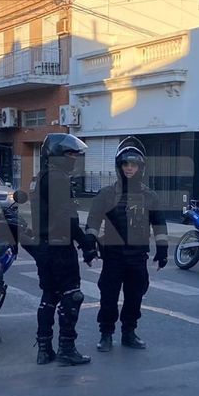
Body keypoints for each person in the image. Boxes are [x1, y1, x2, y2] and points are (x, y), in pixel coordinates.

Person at [86, 137, 168, 352]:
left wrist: (162, 250)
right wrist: (89, 245)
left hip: (138, 257)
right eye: (125, 164)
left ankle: (129, 332)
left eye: (133, 164)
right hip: (113, 257)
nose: (129, 168)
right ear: (119, 166)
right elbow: (93, 222)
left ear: (140, 167)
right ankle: (106, 334)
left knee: (134, 297)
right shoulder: (106, 194)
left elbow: (159, 224)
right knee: (109, 297)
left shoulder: (150, 196)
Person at [25, 133, 96, 366]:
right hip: (59, 248)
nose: (74, 158)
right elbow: (65, 217)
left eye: (75, 154)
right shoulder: (57, 178)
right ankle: (67, 348)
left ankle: (44, 349)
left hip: (44, 247)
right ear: (57, 154)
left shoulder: (42, 177)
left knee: (49, 297)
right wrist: (86, 243)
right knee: (71, 296)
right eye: (70, 154)